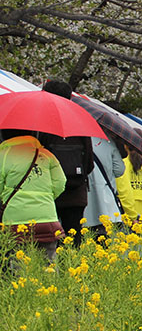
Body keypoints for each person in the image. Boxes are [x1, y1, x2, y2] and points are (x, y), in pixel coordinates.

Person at [0, 130, 67, 257]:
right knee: (49, 262)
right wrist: (46, 197)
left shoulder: (3, 155)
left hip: (15, 220)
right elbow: (61, 183)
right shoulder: (47, 155)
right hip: (47, 217)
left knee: (19, 263)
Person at [38, 79, 93, 233]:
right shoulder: (80, 121)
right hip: (76, 194)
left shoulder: (40, 122)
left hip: (47, 194)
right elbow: (89, 164)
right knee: (73, 241)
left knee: (47, 242)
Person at [83, 133, 125, 236]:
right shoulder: (107, 140)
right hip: (107, 202)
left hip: (85, 200)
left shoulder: (78, 138)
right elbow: (119, 170)